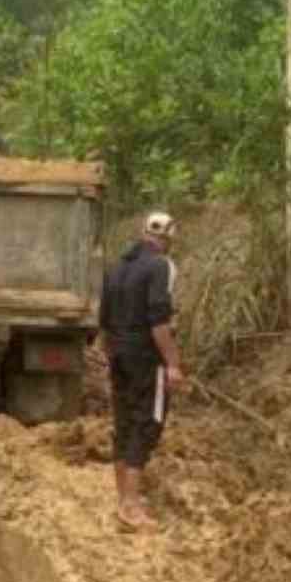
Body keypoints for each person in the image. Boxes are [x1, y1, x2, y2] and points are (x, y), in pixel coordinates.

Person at [100, 210, 191, 530]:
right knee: (147, 423)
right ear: (168, 238)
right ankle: (131, 506)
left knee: (123, 421)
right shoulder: (160, 266)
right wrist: (173, 364)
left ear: (144, 233)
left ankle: (123, 498)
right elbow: (159, 321)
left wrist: (112, 353)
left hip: (118, 352)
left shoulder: (116, 267)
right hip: (145, 358)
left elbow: (104, 318)